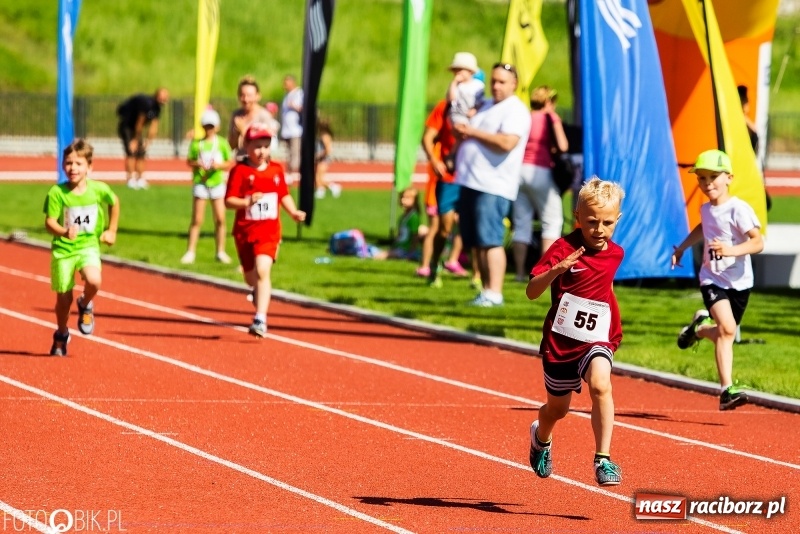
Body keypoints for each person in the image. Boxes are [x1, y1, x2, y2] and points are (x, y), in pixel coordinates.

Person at [525, 177, 626, 487]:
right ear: (577, 218)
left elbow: (604, 285)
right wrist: (556, 270)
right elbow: (531, 291)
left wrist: (611, 320)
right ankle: (541, 437)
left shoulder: (616, 253)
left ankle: (603, 459)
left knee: (601, 385)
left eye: (607, 222)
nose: (599, 229)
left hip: (597, 338)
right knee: (558, 410)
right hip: (561, 342)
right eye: (592, 221)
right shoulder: (563, 247)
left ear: (617, 220)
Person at [672, 149, 764, 411]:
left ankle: (698, 328)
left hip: (740, 283)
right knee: (727, 328)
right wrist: (682, 247)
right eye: (702, 178)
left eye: (714, 176)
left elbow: (758, 242)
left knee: (726, 332)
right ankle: (726, 391)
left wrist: (732, 250)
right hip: (712, 279)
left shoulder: (738, 209)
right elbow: (704, 226)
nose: (708, 183)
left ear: (729, 178)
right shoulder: (706, 209)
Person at [453, 62, 531, 307]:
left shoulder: (516, 110)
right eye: (494, 81)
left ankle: (495, 292)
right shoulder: (486, 105)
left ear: (514, 84)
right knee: (476, 241)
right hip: (470, 181)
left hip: (493, 184)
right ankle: (486, 290)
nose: (496, 86)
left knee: (490, 239)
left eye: (502, 82)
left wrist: (474, 133)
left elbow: (507, 142)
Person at [224, 123, 306, 338]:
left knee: (263, 270)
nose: (262, 152)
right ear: (247, 146)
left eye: (266, 146)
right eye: (257, 146)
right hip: (244, 232)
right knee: (251, 278)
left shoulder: (276, 170)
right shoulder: (239, 171)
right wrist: (247, 202)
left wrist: (293, 212)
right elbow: (229, 201)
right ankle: (257, 292)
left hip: (269, 233)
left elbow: (283, 194)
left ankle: (260, 318)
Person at [44, 139, 120, 356]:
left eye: (78, 164)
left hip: (88, 246)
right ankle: (61, 333)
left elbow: (114, 201)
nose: (73, 168)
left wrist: (112, 230)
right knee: (63, 299)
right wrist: (63, 232)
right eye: (68, 163)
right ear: (62, 165)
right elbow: (49, 222)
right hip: (63, 251)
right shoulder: (57, 193)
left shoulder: (98, 189)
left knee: (94, 280)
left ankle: (85, 303)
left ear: (89, 166)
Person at [512, 86, 569, 282]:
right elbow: (563, 145)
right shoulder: (550, 117)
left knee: (521, 224)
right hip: (541, 170)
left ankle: (519, 273)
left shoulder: (525, 116)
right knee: (552, 222)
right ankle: (545, 273)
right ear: (548, 101)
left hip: (519, 172)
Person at [421, 99, 468, 287]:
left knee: (472, 228)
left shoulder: (484, 107)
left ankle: (479, 279)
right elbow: (427, 137)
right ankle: (434, 265)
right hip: (449, 178)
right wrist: (434, 161)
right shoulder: (446, 106)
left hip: (474, 178)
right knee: (444, 228)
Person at [181, 107, 235, 265]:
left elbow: (229, 162)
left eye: (211, 126)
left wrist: (218, 166)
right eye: (206, 126)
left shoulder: (222, 143)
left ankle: (220, 251)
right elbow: (189, 161)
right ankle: (190, 251)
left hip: (217, 183)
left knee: (220, 218)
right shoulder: (197, 144)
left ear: (217, 127)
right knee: (197, 219)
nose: (209, 129)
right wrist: (197, 163)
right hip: (201, 183)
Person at [116, 87, 169, 189]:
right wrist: (135, 140)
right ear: (157, 96)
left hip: (136, 131)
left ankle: (140, 179)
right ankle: (130, 179)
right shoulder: (147, 104)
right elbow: (139, 123)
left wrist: (148, 142)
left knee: (141, 153)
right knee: (131, 152)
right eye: (164, 96)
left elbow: (154, 126)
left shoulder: (157, 108)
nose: (166, 99)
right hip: (127, 127)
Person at [445, 52, 485, 173]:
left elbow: (480, 102)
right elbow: (451, 99)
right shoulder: (457, 86)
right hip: (457, 115)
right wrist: (454, 83)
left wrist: (475, 109)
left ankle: (457, 156)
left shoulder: (478, 86)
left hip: (470, 116)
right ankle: (453, 156)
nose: (458, 74)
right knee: (463, 132)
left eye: (461, 70)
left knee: (468, 136)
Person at [228, 76, 275, 159]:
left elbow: (266, 145)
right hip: (240, 160)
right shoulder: (236, 115)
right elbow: (232, 146)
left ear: (258, 96)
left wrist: (243, 131)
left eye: (249, 95)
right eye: (242, 95)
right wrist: (236, 133)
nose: (245, 99)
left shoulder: (264, 116)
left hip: (257, 163)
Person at [280, 74, 304, 182]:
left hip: (296, 129)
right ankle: (289, 173)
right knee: (289, 153)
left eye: (286, 82)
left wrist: (294, 106)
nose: (284, 85)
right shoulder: (287, 95)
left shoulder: (298, 93)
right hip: (287, 130)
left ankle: (294, 174)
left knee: (295, 153)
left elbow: (304, 108)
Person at [314, 118, 342, 199]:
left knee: (319, 177)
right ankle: (320, 191)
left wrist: (319, 155)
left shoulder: (325, 136)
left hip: (323, 159)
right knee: (317, 177)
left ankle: (334, 187)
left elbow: (328, 149)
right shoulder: (322, 135)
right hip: (321, 158)